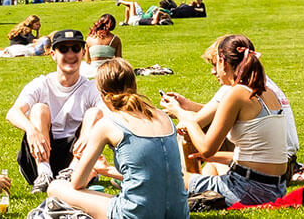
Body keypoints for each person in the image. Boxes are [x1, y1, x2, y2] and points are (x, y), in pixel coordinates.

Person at [159, 35, 290, 207]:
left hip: (247, 189)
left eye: (215, 64)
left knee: (164, 177)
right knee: (211, 167)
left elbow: (206, 148)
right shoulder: (266, 91)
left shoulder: (236, 93)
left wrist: (182, 115)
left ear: (224, 63)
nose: (214, 71)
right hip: (275, 187)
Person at [49, 59, 188, 219]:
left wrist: (88, 167)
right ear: (134, 86)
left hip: (137, 214)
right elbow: (153, 174)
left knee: (56, 187)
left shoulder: (108, 124)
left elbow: (77, 183)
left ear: (103, 95)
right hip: (178, 212)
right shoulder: (164, 116)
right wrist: (106, 171)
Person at [7, 29, 102, 193]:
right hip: (38, 156)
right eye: (63, 49)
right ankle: (44, 173)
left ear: (83, 52)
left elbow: (109, 115)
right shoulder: (41, 83)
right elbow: (13, 113)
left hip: (76, 156)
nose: (70, 54)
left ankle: (73, 171)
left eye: (75, 48)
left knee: (95, 113)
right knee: (39, 109)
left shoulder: (90, 88)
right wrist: (31, 130)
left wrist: (90, 135)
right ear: (52, 54)